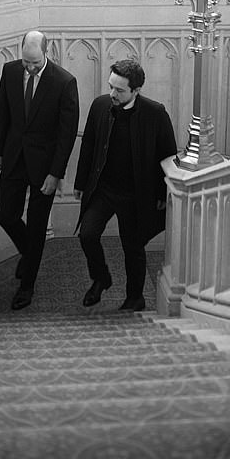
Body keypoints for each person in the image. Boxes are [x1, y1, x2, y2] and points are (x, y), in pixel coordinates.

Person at [73, 58, 177, 311]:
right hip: (104, 189)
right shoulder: (100, 106)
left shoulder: (155, 113)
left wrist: (163, 192)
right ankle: (101, 278)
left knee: (133, 247)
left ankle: (135, 297)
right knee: (87, 235)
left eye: (119, 90)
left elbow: (168, 155)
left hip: (135, 194)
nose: (112, 94)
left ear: (136, 90)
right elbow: (88, 146)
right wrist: (80, 182)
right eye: (111, 86)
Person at [0, 30, 79, 310]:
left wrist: (56, 174)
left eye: (34, 62)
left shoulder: (64, 82)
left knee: (38, 225)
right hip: (14, 157)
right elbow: (2, 111)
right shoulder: (9, 71)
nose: (29, 67)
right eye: (25, 62)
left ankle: (27, 286)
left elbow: (66, 135)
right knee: (6, 215)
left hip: (45, 167)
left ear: (46, 51)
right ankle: (29, 254)